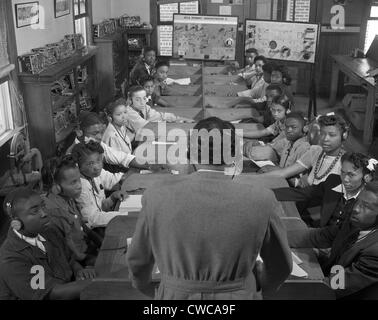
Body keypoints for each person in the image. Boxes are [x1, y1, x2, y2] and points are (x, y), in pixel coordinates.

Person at [127, 117, 292, 300]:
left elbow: (138, 261)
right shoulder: (262, 199)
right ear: (234, 156)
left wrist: (151, 290)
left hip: (175, 295)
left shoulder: (156, 196)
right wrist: (261, 292)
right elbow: (281, 265)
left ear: (189, 153)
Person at [0, 187, 95, 300]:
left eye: (43, 205)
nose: (44, 213)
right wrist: (97, 283)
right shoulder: (12, 258)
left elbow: (69, 259)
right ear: (16, 223)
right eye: (35, 211)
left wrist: (79, 271)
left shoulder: (49, 231)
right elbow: (52, 294)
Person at [287, 181, 378, 299]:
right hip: (328, 280)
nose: (355, 208)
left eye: (366, 206)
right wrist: (272, 237)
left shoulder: (375, 251)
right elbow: (319, 236)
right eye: (357, 201)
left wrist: (295, 285)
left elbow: (338, 284)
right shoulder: (355, 223)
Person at [273, 153, 377, 228]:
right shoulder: (333, 181)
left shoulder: (367, 201)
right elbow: (303, 194)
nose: (345, 179)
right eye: (343, 172)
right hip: (318, 236)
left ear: (366, 177)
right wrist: (269, 193)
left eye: (351, 175)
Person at [42, 156, 101, 266]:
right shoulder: (55, 212)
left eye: (79, 180)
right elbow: (71, 251)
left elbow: (83, 226)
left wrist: (101, 242)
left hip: (87, 247)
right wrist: (92, 258)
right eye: (73, 182)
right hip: (78, 259)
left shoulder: (68, 197)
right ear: (56, 188)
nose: (79, 186)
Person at [262, 114, 349, 187]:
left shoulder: (348, 163)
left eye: (332, 135)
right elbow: (284, 173)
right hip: (305, 197)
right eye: (322, 134)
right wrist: (255, 179)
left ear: (344, 135)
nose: (325, 139)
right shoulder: (315, 151)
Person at [68, 111, 151, 171]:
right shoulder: (73, 155)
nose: (100, 137)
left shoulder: (94, 144)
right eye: (95, 133)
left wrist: (149, 165)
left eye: (101, 132)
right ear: (79, 133)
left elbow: (121, 157)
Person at [71, 141, 128, 228]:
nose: (97, 167)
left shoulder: (94, 174)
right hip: (94, 231)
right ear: (78, 166)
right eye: (90, 163)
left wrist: (112, 198)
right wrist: (122, 215)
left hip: (103, 221)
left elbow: (100, 207)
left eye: (98, 160)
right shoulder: (81, 186)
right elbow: (92, 219)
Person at [245, 112, 311, 180]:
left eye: (293, 127)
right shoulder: (288, 141)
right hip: (279, 177)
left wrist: (276, 169)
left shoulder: (305, 148)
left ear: (304, 128)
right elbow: (270, 145)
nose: (288, 130)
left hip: (288, 185)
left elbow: (300, 180)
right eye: (286, 126)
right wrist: (256, 143)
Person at [125, 86, 194, 134]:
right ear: (131, 100)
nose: (142, 102)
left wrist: (179, 119)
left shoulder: (145, 107)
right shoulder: (129, 112)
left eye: (144, 98)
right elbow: (146, 127)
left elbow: (160, 116)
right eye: (137, 100)